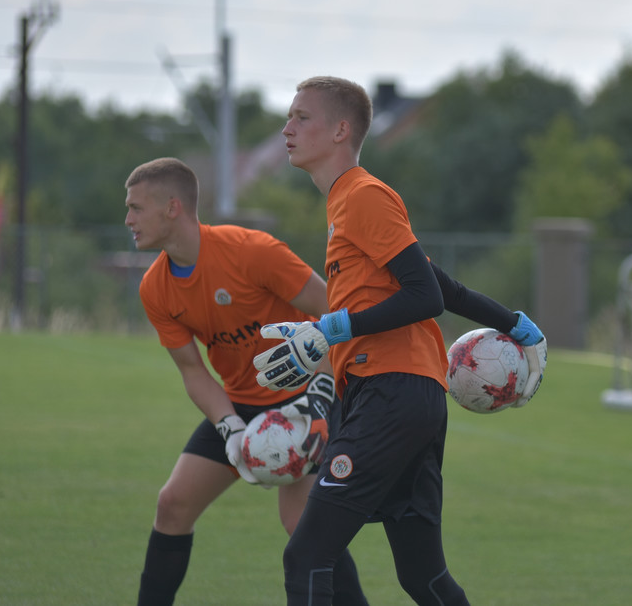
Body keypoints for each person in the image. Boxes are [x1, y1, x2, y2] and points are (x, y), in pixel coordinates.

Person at [252, 76, 546, 606]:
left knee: (307, 555)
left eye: (301, 118)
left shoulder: (363, 194)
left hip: (392, 394)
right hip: (398, 395)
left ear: (341, 130)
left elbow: (423, 297)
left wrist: (331, 329)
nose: (286, 128)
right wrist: (517, 325)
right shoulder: (347, 202)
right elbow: (442, 285)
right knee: (421, 575)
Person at [124, 157, 367, 606]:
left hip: (308, 397)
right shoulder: (154, 287)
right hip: (241, 406)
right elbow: (193, 371)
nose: (128, 220)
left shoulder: (251, 251)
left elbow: (338, 316)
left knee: (301, 525)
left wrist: (320, 394)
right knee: (172, 504)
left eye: (137, 208)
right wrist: (230, 428)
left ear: (172, 207)